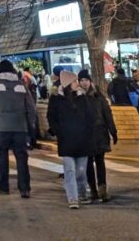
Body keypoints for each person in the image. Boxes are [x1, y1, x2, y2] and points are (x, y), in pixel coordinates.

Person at [0, 59, 35, 198]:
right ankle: (25, 188)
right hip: (20, 127)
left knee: (1, 156)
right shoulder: (21, 84)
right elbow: (31, 107)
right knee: (22, 157)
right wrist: (31, 125)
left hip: (0, 127)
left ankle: (3, 186)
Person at [47, 70, 92, 209]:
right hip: (66, 139)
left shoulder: (82, 98)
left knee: (81, 171)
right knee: (70, 170)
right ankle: (72, 198)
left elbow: (89, 116)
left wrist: (88, 131)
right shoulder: (56, 99)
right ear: (67, 83)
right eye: (74, 81)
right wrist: (58, 131)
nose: (77, 84)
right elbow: (51, 117)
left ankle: (82, 193)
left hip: (82, 139)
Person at [78, 69, 117, 203]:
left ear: (90, 82)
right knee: (88, 163)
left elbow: (108, 114)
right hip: (85, 134)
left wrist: (113, 131)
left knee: (100, 162)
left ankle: (102, 190)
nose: (84, 83)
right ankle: (93, 190)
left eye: (86, 80)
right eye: (81, 80)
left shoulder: (98, 97)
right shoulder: (77, 97)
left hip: (99, 133)